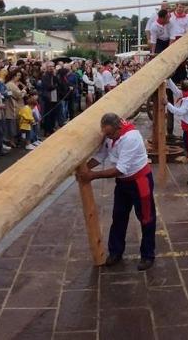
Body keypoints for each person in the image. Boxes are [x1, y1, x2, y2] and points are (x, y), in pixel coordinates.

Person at [77, 113, 156, 271]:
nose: (109, 137)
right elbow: (101, 155)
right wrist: (85, 168)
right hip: (123, 183)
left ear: (118, 127)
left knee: (146, 218)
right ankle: (115, 252)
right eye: (106, 134)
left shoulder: (131, 138)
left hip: (140, 181)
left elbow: (121, 169)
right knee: (118, 217)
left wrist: (92, 176)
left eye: (111, 134)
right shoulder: (110, 134)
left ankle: (148, 255)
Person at [4, 70, 26, 147]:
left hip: (15, 106)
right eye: (18, 75)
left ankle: (14, 140)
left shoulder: (12, 84)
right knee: (12, 125)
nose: (19, 77)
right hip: (12, 106)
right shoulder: (11, 84)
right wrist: (24, 90)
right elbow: (19, 95)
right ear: (14, 76)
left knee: (15, 124)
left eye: (20, 75)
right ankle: (11, 140)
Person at [41, 62, 60, 136]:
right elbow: (48, 87)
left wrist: (55, 77)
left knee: (53, 114)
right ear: (47, 67)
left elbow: (59, 84)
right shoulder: (45, 76)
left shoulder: (54, 76)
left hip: (55, 97)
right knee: (47, 115)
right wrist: (55, 86)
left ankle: (52, 128)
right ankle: (47, 130)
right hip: (48, 98)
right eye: (49, 66)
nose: (51, 68)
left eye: (52, 66)